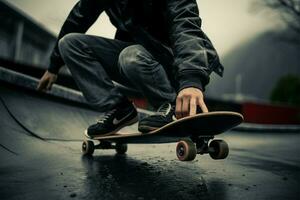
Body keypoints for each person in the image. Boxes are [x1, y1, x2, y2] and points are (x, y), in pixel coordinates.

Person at [37, 0, 224, 138]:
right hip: (140, 62)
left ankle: (171, 106)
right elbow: (76, 21)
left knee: (131, 56)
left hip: (179, 62)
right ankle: (120, 110)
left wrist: (191, 80)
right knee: (70, 44)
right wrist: (53, 67)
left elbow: (185, 26)